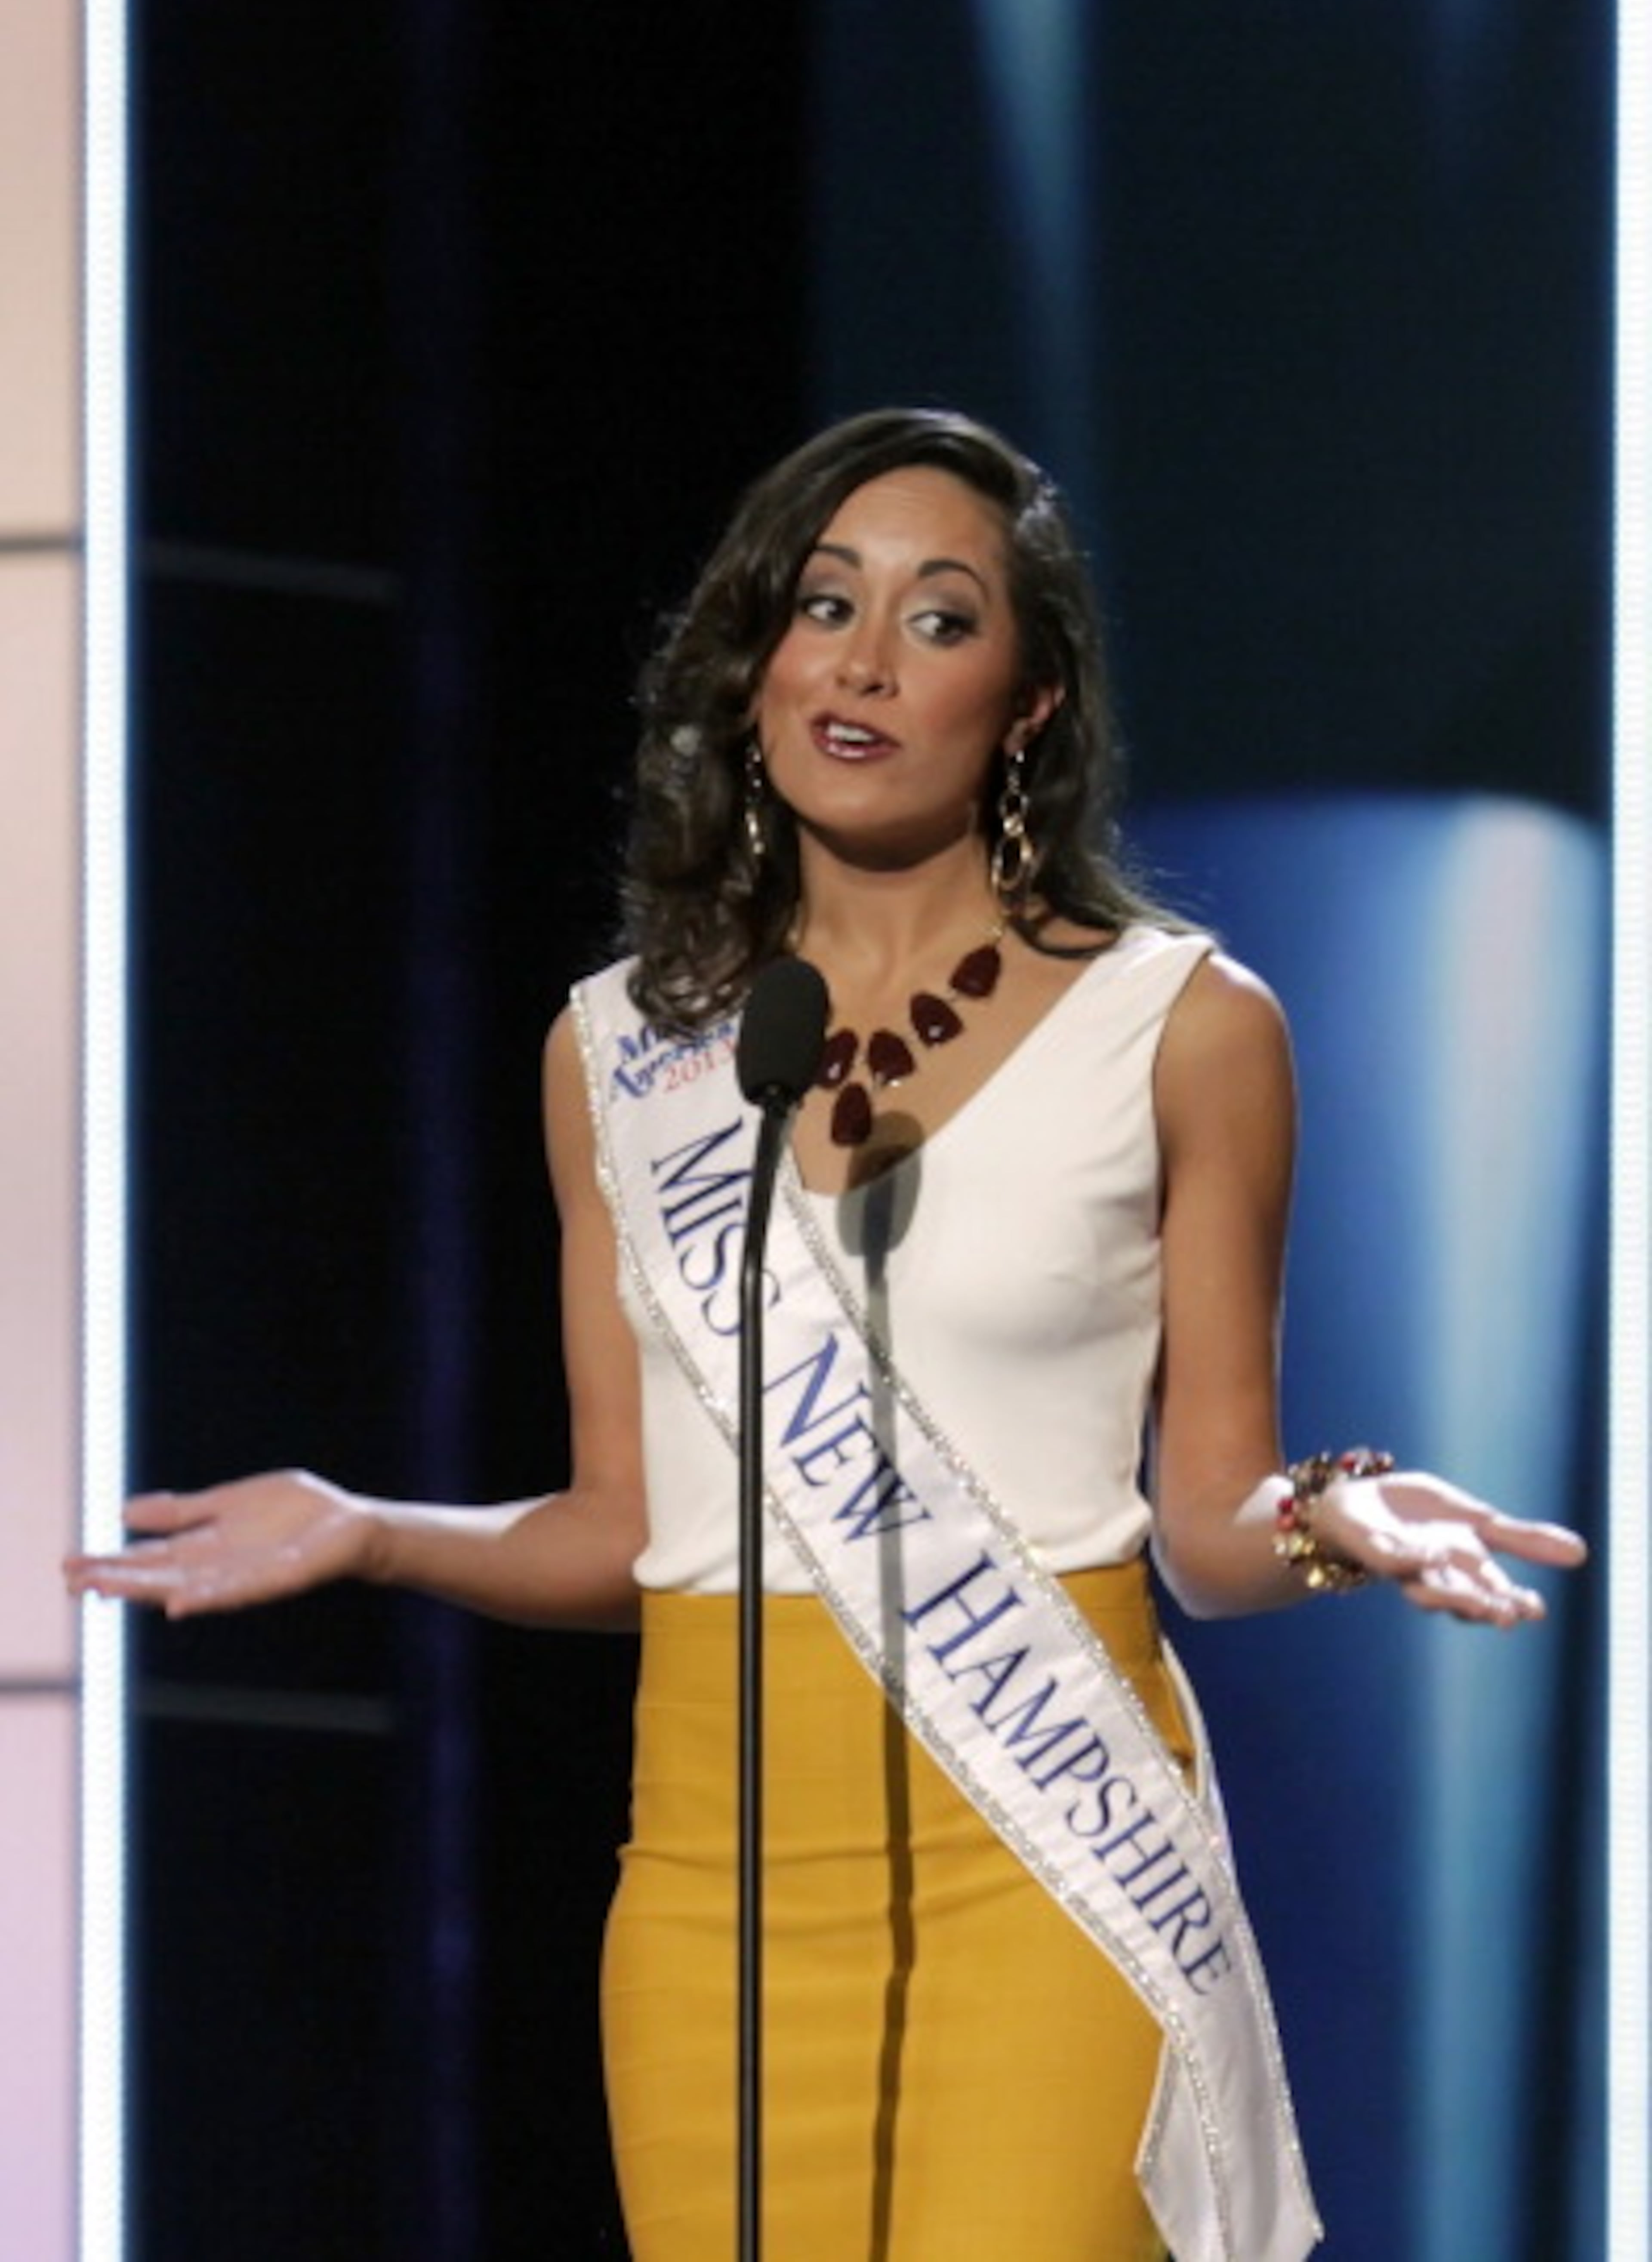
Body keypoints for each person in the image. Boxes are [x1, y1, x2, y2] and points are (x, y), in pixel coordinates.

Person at [67, 408, 1586, 2260]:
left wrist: (1327, 1519)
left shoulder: (1184, 1027)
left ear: (1029, 702)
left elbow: (1203, 1524)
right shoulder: (620, 1057)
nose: (863, 661)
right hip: (715, 1887)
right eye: (823, 604)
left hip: (1052, 1863)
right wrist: (373, 1528)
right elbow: (631, 1532)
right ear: (758, 661)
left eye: (940, 620)